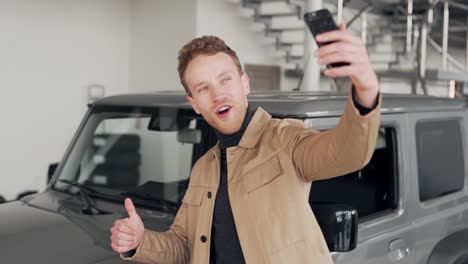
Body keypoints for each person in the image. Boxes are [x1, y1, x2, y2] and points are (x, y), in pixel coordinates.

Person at [110, 24, 381, 263]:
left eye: (225, 80)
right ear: (194, 104)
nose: (217, 95)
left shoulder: (285, 139)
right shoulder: (204, 168)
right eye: (203, 89)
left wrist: (366, 90)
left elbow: (346, 152)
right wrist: (141, 241)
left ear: (244, 84)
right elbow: (184, 246)